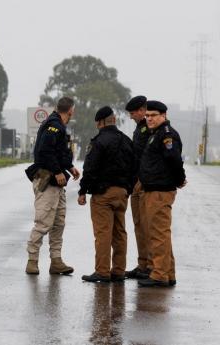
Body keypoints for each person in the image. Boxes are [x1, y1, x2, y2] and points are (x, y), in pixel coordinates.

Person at [78, 106, 136, 283]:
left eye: (97, 123)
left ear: (101, 122)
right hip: (122, 193)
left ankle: (102, 271)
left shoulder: (99, 141)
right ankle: (118, 271)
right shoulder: (126, 141)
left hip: (103, 194)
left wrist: (82, 190)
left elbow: (90, 168)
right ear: (114, 120)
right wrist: (128, 189)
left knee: (103, 233)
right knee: (120, 233)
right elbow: (135, 167)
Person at [24, 97, 80, 275]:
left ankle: (56, 261)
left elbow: (59, 152)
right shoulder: (54, 125)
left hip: (57, 182)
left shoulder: (59, 126)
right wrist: (57, 171)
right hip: (48, 179)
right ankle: (32, 261)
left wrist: (69, 168)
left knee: (58, 223)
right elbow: (45, 151)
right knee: (43, 222)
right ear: (71, 110)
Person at [138, 101, 186, 287]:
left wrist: (179, 179)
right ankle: (168, 273)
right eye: (147, 115)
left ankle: (159, 274)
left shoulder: (166, 135)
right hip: (153, 189)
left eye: (153, 115)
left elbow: (174, 159)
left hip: (160, 190)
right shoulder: (156, 134)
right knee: (161, 235)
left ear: (163, 115)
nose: (149, 118)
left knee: (158, 235)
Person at [124, 96, 152, 280]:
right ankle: (143, 264)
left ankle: (151, 265)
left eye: (133, 113)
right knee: (139, 225)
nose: (132, 116)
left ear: (142, 110)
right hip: (136, 181)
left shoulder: (149, 127)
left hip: (145, 181)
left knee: (148, 226)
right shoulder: (139, 128)